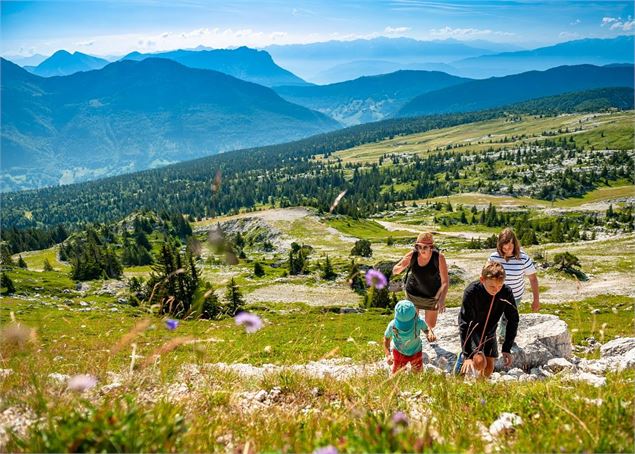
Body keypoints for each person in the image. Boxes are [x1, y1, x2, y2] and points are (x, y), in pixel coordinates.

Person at [458, 261, 519, 378]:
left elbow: (513, 320)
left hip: (490, 329)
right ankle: (461, 362)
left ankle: (481, 388)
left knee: (490, 366)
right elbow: (464, 322)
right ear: (482, 279)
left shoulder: (506, 292)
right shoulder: (471, 291)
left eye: (500, 286)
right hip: (473, 329)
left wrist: (507, 348)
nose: (496, 290)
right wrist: (467, 355)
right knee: (480, 362)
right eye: (492, 286)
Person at [488, 228, 540, 340]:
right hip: (496, 294)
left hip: (514, 295)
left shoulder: (523, 258)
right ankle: (493, 337)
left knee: (508, 318)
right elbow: (488, 276)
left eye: (510, 246)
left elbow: (533, 279)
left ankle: (504, 338)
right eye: (504, 247)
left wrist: (536, 300)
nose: (507, 249)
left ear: (514, 243)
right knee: (495, 316)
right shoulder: (494, 257)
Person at [392, 232, 449, 331]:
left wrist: (442, 299)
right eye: (418, 246)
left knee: (431, 325)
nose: (421, 250)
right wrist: (402, 266)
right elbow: (395, 271)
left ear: (431, 247)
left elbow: (445, 281)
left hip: (432, 295)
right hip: (413, 293)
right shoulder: (412, 255)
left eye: (425, 247)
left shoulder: (439, 258)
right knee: (412, 322)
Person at [384, 300, 436, 374]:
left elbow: (426, 329)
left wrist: (430, 333)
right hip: (399, 352)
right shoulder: (392, 325)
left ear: (415, 315)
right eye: (402, 324)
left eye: (407, 324)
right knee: (397, 374)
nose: (404, 329)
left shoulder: (418, 322)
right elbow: (386, 338)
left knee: (418, 373)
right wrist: (388, 355)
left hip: (416, 351)